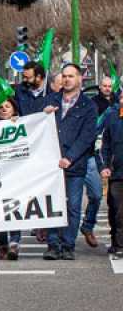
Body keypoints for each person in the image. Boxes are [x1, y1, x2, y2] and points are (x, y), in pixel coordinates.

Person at [41, 63, 98, 261]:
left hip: (74, 165)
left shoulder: (88, 106)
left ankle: (68, 245)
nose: (67, 80)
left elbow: (87, 136)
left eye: (71, 76)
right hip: (50, 164)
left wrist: (70, 157)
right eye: (64, 76)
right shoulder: (51, 100)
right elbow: (35, 125)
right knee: (52, 205)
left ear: (80, 79)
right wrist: (44, 114)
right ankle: (53, 245)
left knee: (73, 207)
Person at [0, 99, 25, 261]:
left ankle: (14, 243)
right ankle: (3, 243)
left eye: (7, 106)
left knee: (15, 208)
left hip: (16, 176)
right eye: (0, 107)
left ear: (14, 109)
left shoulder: (23, 124)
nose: (3, 109)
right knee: (0, 211)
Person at [99, 96, 123, 262]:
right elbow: (104, 144)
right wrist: (104, 166)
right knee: (116, 209)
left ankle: (121, 245)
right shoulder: (112, 116)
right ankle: (116, 241)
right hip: (117, 173)